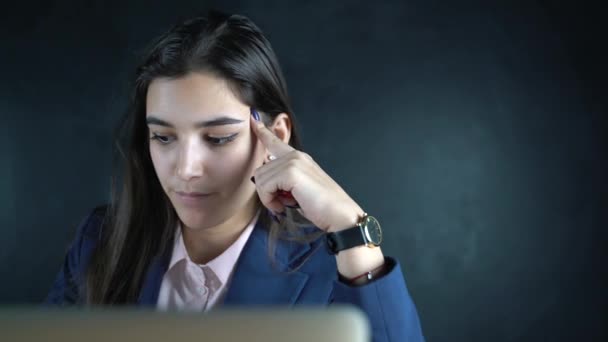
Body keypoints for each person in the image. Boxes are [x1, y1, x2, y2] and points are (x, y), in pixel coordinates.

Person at [45, 10, 425, 342]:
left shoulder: (335, 273)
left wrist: (350, 228)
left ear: (275, 137)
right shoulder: (100, 241)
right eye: (163, 137)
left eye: (218, 138)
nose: (186, 169)